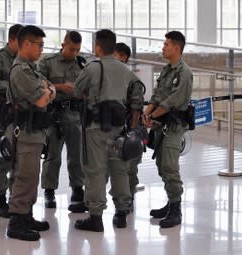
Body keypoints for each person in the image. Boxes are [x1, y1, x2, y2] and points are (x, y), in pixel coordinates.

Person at [74, 29, 144, 232]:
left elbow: (78, 91)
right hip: (119, 127)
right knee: (119, 170)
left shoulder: (93, 67)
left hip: (96, 128)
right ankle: (121, 213)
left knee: (95, 171)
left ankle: (95, 217)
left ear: (98, 46)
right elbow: (136, 91)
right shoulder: (124, 70)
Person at [6, 25, 56, 241]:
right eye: (39, 45)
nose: (41, 50)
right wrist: (47, 90)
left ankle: (25, 215)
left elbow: (50, 88)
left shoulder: (31, 68)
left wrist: (48, 89)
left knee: (31, 177)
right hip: (25, 132)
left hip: (34, 132)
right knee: (24, 177)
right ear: (25, 44)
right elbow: (42, 99)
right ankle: (16, 221)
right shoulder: (21, 71)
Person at [142, 31, 193, 228]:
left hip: (173, 126)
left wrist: (151, 116)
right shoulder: (166, 71)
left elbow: (173, 101)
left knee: (170, 166)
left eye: (166, 45)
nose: (163, 48)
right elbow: (156, 96)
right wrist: (148, 113)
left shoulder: (184, 73)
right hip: (160, 125)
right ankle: (171, 202)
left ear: (177, 48)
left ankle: (176, 210)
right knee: (162, 164)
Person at [38, 31, 86, 212]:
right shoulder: (48, 62)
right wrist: (58, 87)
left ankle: (77, 189)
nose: (74, 53)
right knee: (52, 155)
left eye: (77, 50)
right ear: (63, 45)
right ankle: (49, 191)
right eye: (71, 49)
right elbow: (38, 82)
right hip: (54, 116)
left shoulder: (81, 64)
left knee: (76, 155)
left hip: (74, 115)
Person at [0, 24, 23, 218]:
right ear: (13, 39)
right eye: (22, 41)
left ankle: (14, 200)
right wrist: (12, 86)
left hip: (22, 116)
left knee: (19, 159)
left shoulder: (24, 59)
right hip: (5, 113)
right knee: (4, 156)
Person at [113, 42, 144, 211]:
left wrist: (130, 134)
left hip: (128, 130)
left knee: (130, 166)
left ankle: (129, 197)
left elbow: (136, 109)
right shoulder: (110, 78)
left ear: (123, 57)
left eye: (115, 55)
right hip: (113, 129)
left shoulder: (132, 81)